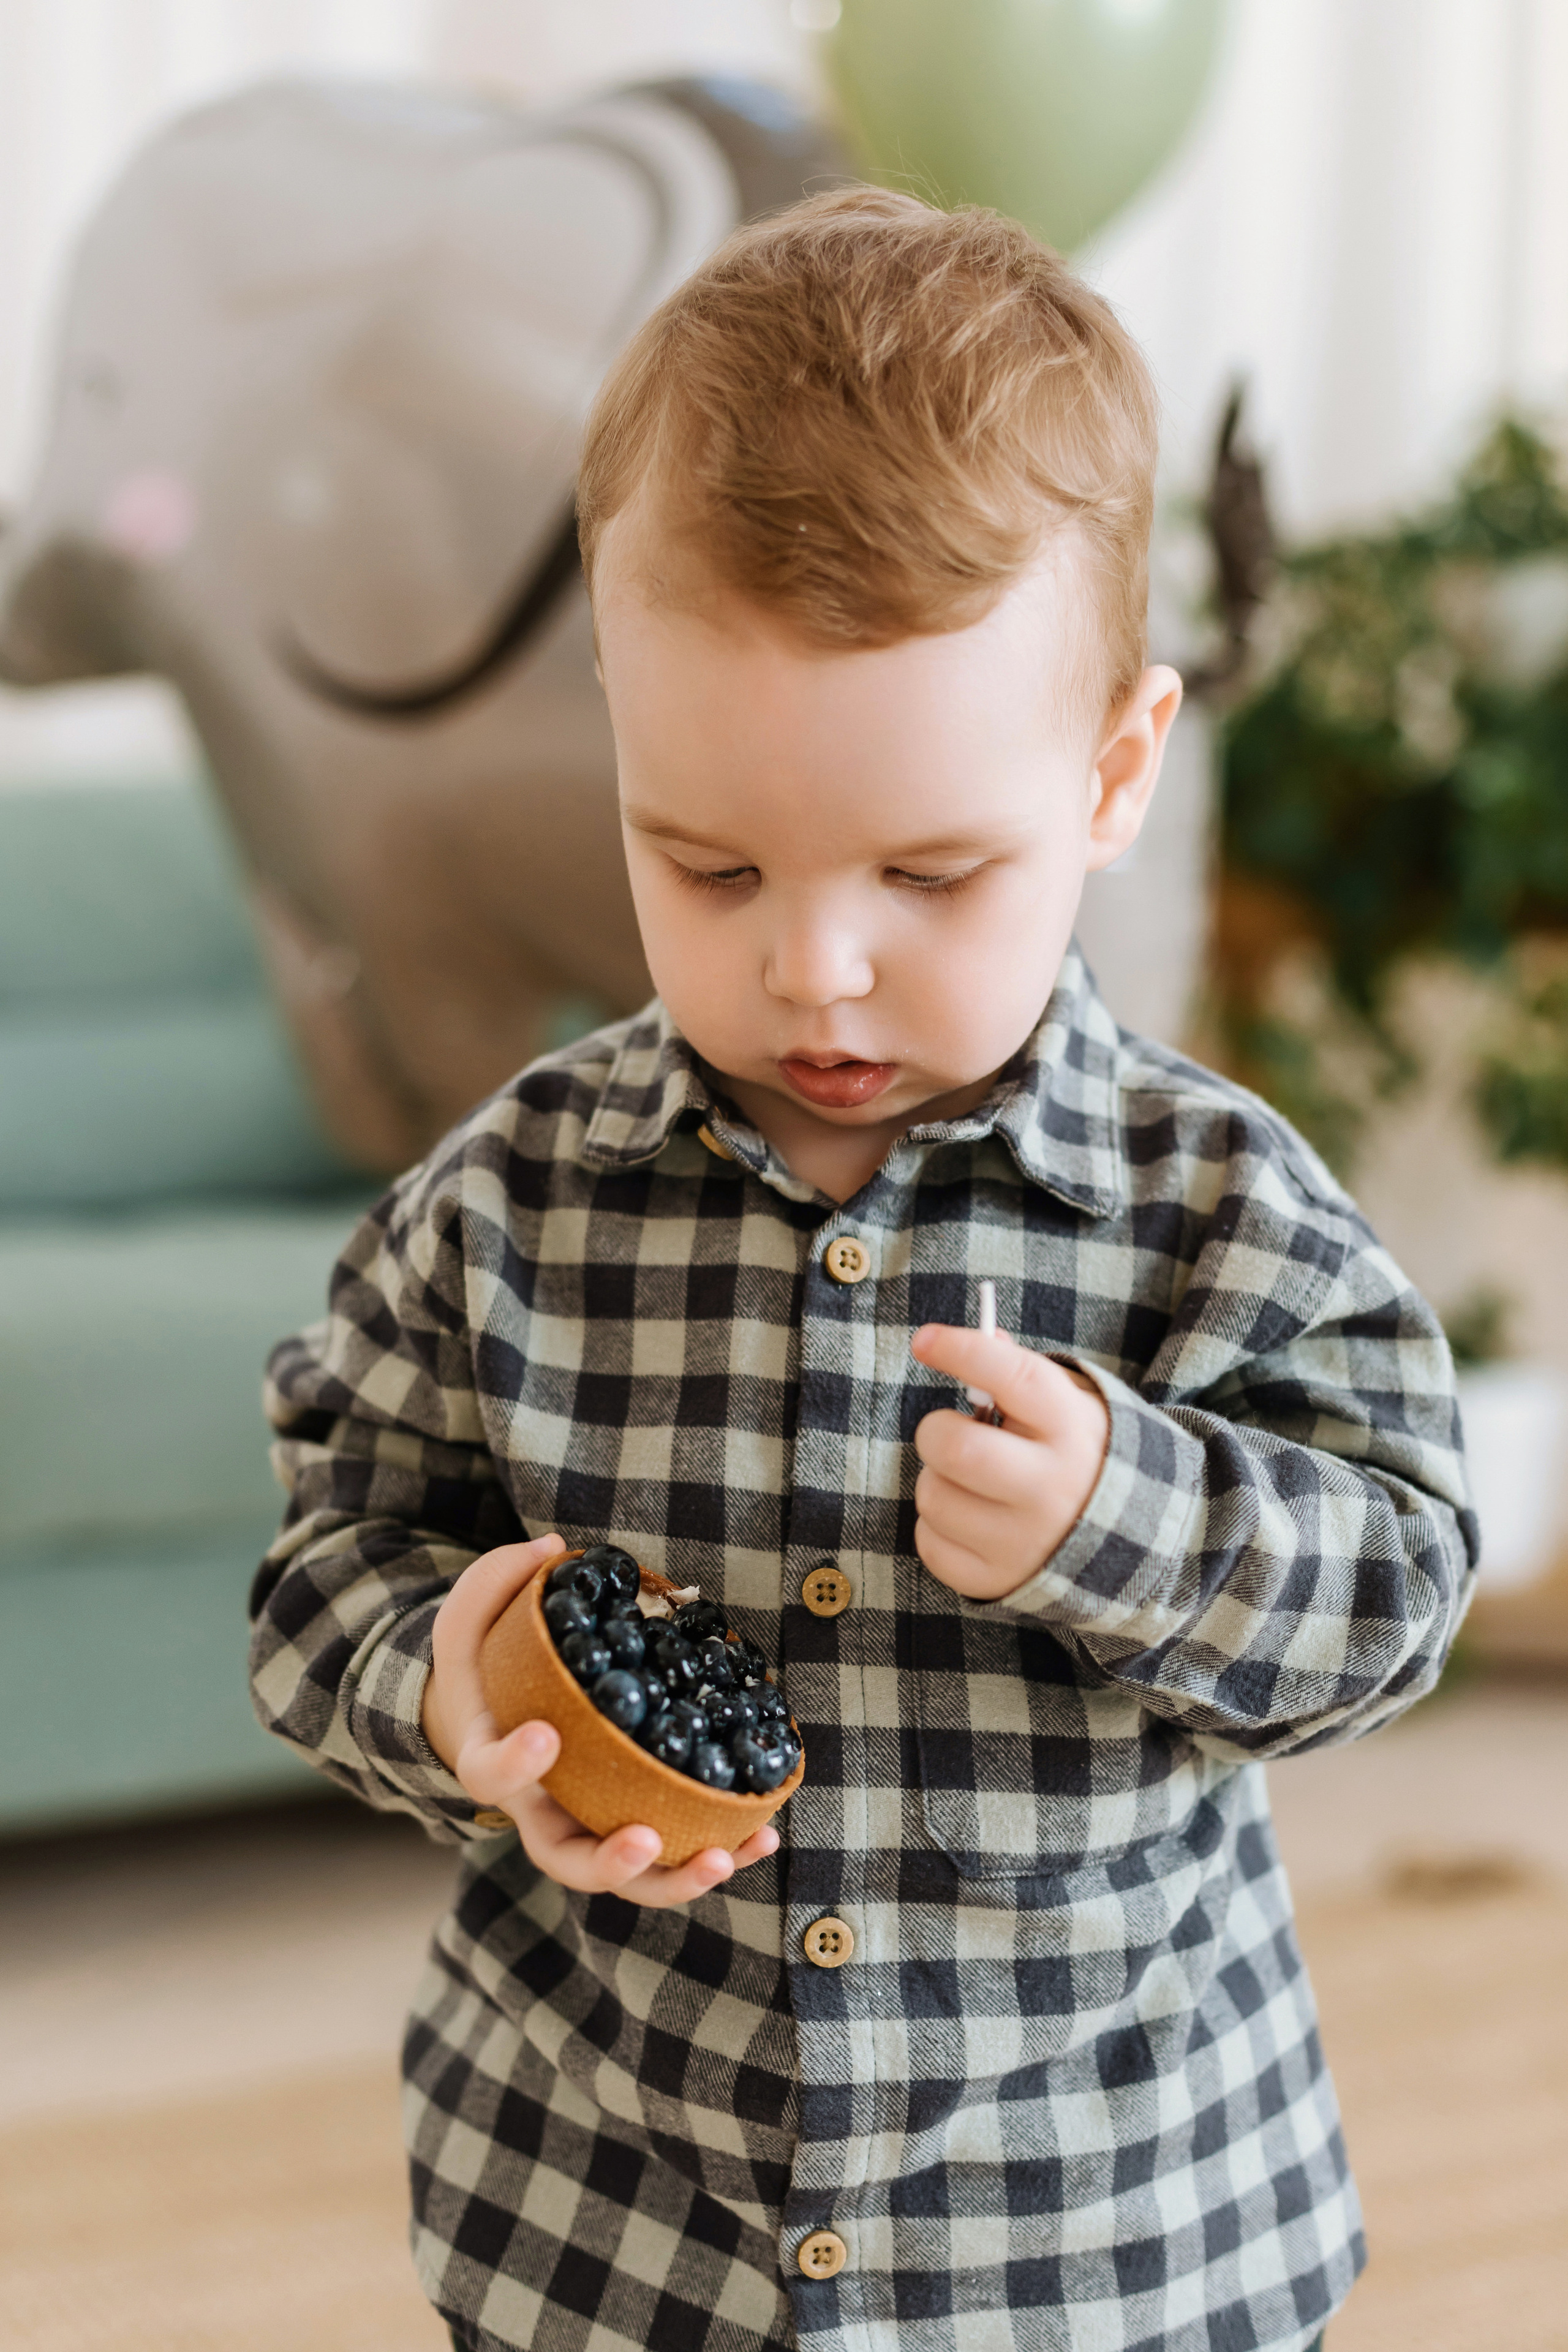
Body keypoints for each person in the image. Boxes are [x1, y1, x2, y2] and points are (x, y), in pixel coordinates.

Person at [249, 189, 1474, 2352]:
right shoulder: (508, 1204)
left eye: (931, 870)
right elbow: (329, 1546)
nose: (814, 960)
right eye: (705, 859)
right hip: (605, 2238)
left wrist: (1136, 1516)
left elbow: (1399, 1592)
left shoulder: (1223, 1213)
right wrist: (437, 1687)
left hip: (1111, 2244)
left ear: (1112, 773)